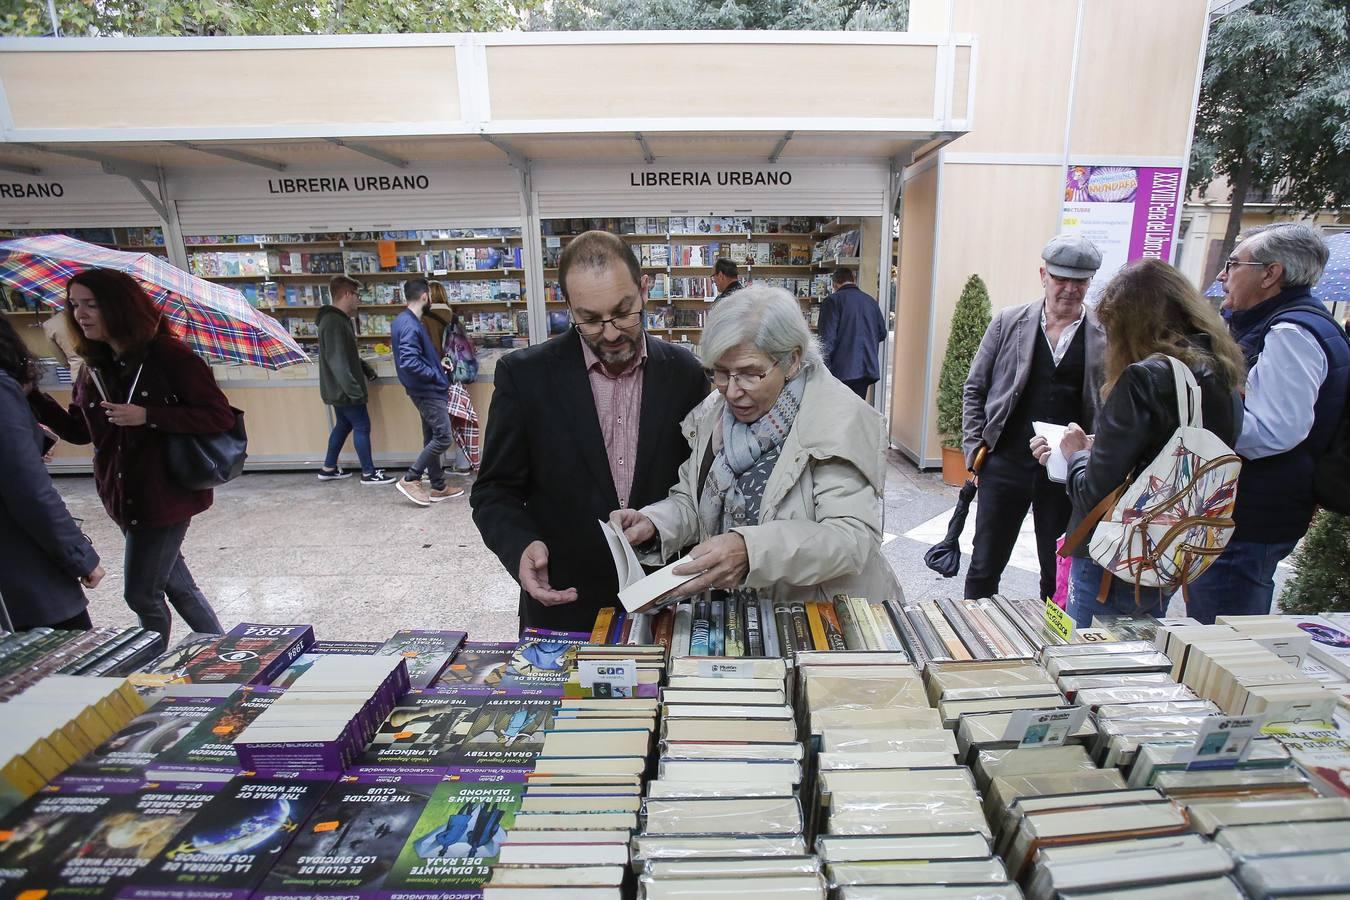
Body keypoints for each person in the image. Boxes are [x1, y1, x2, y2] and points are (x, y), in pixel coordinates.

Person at [471, 230, 708, 632]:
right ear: (568, 308)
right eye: (591, 320)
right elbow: (494, 492)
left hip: (664, 605)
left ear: (644, 289)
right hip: (564, 605)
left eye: (623, 311)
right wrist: (520, 547)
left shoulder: (685, 374)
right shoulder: (525, 377)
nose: (611, 333)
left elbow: (701, 488)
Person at [611, 285, 895, 604]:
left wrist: (751, 550)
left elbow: (851, 538)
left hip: (820, 618)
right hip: (744, 614)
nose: (731, 392)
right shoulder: (713, 415)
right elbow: (692, 499)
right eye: (720, 372)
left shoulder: (838, 420)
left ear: (791, 361)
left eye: (749, 374)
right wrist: (654, 522)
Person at [1030, 260, 1245, 627]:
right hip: (1170, 548)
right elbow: (1166, 456)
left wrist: (1077, 453)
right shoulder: (1219, 370)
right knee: (1133, 656)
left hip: (1115, 555)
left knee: (1088, 661)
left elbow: (1093, 492)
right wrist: (1106, 446)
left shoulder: (1144, 378)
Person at [28, 268, 230, 645]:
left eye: (92, 304)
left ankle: (148, 667)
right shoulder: (94, 365)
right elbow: (79, 430)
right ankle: (223, 650)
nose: (80, 314)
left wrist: (149, 416)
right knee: (176, 585)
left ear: (120, 307)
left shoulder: (169, 356)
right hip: (121, 495)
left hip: (163, 495)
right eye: (74, 305)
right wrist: (32, 396)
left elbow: (218, 415)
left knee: (140, 594)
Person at [1186, 223, 1350, 623]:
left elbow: (1274, 432)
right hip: (1256, 508)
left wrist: (1199, 421)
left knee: (1223, 639)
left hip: (1252, 513)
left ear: (1270, 274)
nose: (1223, 276)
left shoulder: (1290, 332)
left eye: (1233, 264)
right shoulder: (1291, 324)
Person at [961, 234, 1107, 602]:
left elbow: (1109, 405)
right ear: (1043, 275)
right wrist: (974, 448)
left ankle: (1048, 648)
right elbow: (975, 388)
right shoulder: (1009, 322)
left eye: (1080, 281)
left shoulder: (1104, 335)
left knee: (1056, 571)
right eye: (1061, 278)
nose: (1070, 289)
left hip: (1065, 473)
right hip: (1005, 464)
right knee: (983, 566)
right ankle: (974, 646)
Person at [0, 315, 104, 630]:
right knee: (69, 669)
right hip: (23, 574)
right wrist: (79, 555)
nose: (81, 313)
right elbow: (28, 490)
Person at [316, 274, 394, 486]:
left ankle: (328, 467)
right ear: (347, 294)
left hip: (339, 389)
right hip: (345, 390)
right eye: (357, 295)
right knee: (362, 426)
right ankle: (368, 473)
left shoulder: (337, 320)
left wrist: (365, 369)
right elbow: (338, 361)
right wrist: (354, 390)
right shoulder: (333, 322)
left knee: (343, 425)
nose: (358, 300)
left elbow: (346, 354)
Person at [392, 277, 463, 507]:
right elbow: (410, 362)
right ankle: (411, 478)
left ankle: (438, 486)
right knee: (443, 436)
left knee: (431, 436)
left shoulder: (404, 321)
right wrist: (435, 375)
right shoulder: (411, 324)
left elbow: (414, 358)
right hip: (428, 390)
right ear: (425, 296)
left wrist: (436, 366)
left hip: (422, 388)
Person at [818, 267, 888, 399]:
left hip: (841, 371)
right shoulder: (870, 301)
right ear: (853, 280)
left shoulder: (832, 301)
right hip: (867, 369)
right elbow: (882, 332)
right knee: (857, 409)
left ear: (834, 284)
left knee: (839, 412)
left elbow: (827, 340)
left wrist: (823, 372)